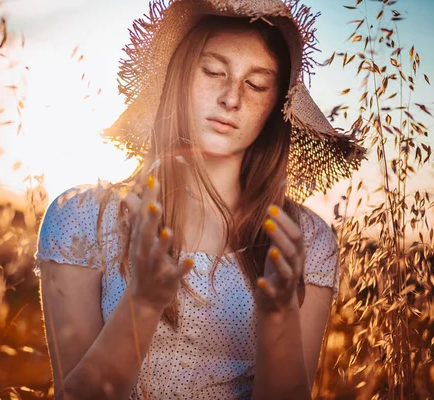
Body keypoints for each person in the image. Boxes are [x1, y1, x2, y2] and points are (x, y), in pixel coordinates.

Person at [34, 0, 365, 399]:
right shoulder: (82, 218)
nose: (231, 98)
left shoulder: (305, 241)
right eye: (213, 72)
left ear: (277, 106)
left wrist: (278, 316)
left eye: (256, 84)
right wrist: (143, 303)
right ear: (178, 77)